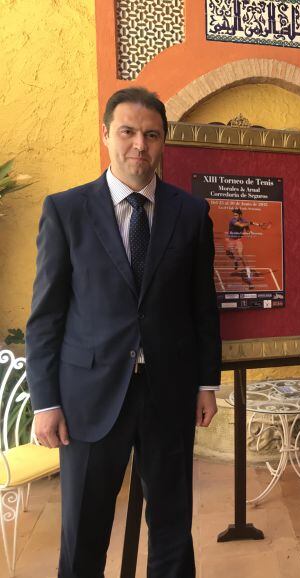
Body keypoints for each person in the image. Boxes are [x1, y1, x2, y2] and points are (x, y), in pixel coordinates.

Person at [26, 87, 221, 578]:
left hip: (168, 394)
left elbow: (203, 307)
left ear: (163, 143)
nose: (140, 145)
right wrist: (45, 401)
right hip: (87, 399)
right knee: (84, 530)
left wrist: (206, 383)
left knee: (173, 526)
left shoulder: (190, 214)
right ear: (107, 135)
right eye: (129, 132)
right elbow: (46, 316)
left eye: (152, 135)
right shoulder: (66, 211)